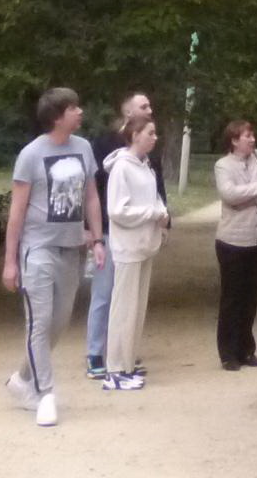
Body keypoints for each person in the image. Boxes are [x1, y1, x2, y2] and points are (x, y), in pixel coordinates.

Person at [3, 88, 107, 428]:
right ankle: (45, 393)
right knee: (39, 323)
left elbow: (91, 197)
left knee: (58, 325)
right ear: (57, 116)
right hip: (38, 249)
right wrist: (10, 260)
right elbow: (17, 211)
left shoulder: (83, 148)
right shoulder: (31, 155)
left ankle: (21, 379)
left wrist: (98, 239)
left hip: (73, 249)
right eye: (73, 107)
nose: (80, 112)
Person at [85, 90, 167, 379]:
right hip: (111, 232)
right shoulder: (107, 145)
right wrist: (91, 231)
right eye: (143, 106)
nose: (149, 108)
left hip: (142, 235)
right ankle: (97, 353)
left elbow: (156, 186)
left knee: (132, 299)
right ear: (128, 112)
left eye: (150, 105)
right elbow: (94, 189)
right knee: (106, 294)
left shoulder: (147, 153)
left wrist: (163, 216)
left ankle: (125, 354)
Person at [212, 118, 257, 371]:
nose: (252, 139)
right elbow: (229, 195)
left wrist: (253, 192)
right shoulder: (223, 165)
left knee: (252, 295)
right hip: (233, 239)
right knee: (232, 296)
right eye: (247, 136)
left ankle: (246, 349)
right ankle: (228, 353)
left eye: (252, 135)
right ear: (234, 141)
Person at [101, 115, 166, 391]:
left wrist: (161, 213)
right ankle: (114, 369)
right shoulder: (121, 168)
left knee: (137, 309)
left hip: (145, 244)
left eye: (155, 133)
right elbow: (117, 210)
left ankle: (127, 365)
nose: (154, 137)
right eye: (150, 132)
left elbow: (153, 198)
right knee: (123, 309)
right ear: (135, 134)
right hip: (127, 246)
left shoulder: (146, 166)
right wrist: (152, 213)